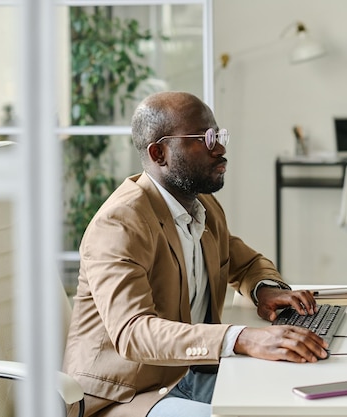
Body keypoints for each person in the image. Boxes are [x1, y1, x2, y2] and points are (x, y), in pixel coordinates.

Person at [62, 91, 329, 417]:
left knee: (295, 397)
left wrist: (264, 289)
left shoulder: (202, 206)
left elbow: (246, 263)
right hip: (125, 397)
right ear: (159, 152)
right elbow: (134, 332)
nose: (220, 148)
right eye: (204, 138)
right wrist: (241, 337)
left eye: (217, 134)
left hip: (189, 374)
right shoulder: (120, 224)